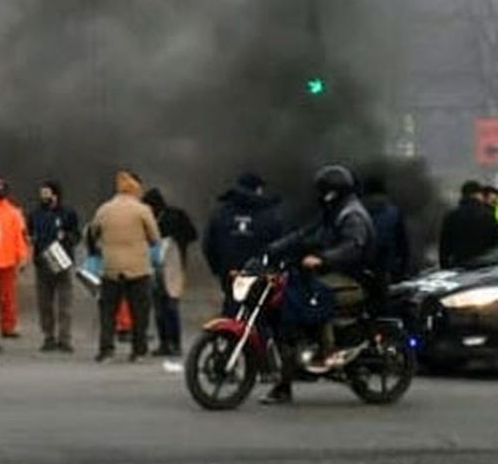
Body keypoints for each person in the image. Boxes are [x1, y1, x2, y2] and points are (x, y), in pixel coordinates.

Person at [261, 164, 378, 405]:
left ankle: (329, 350)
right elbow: (305, 233)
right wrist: (274, 249)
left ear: (333, 191)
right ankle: (287, 378)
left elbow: (353, 247)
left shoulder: (351, 215)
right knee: (290, 298)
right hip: (331, 273)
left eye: (322, 190)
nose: (319, 194)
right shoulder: (332, 212)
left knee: (314, 295)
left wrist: (323, 258)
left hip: (354, 279)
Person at [89, 169, 161, 363]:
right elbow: (155, 238)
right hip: (138, 268)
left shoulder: (104, 209)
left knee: (108, 311)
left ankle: (106, 350)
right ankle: (138, 351)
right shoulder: (142, 210)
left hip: (111, 268)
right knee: (139, 311)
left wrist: (100, 248)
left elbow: (93, 232)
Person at [203, 173, 283, 315]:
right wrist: (275, 269)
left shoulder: (221, 212)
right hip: (259, 274)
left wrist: (219, 269)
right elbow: (279, 244)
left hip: (229, 272)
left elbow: (209, 244)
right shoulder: (269, 213)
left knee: (232, 310)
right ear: (257, 189)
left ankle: (229, 336)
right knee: (260, 313)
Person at [142, 187, 198, 357]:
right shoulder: (152, 218)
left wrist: (177, 241)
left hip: (173, 267)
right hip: (156, 267)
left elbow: (192, 235)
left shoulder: (174, 216)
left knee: (170, 306)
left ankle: (174, 343)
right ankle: (165, 343)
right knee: (160, 307)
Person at [27, 180, 80, 353]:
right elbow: (28, 233)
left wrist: (67, 237)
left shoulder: (68, 213)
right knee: (45, 303)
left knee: (65, 303)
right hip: (42, 262)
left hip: (62, 259)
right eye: (42, 194)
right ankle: (48, 336)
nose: (43, 197)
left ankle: (65, 338)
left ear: (56, 195)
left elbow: (76, 235)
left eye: (47, 193)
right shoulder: (35, 214)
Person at [0, 178, 31, 344]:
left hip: (6, 261)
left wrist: (22, 257)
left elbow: (20, 237)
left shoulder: (14, 212)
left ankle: (8, 327)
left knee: (7, 298)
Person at [363, 175, 413, 285]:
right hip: (388, 270)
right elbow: (403, 245)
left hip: (362, 270)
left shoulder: (357, 213)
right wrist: (404, 270)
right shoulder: (394, 212)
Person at [438, 180, 498, 269]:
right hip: (486, 266)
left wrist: (445, 266)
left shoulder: (451, 216)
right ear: (478, 195)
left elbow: (444, 246)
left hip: (460, 265)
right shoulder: (489, 215)